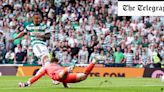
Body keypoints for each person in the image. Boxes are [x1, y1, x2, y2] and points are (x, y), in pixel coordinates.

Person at [18, 57, 99, 88]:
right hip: (63, 75)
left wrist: (27, 83)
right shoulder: (54, 66)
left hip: (62, 76)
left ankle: (68, 69)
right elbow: (62, 77)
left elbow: (37, 76)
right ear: (56, 62)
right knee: (84, 76)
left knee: (60, 75)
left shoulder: (46, 67)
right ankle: (93, 62)